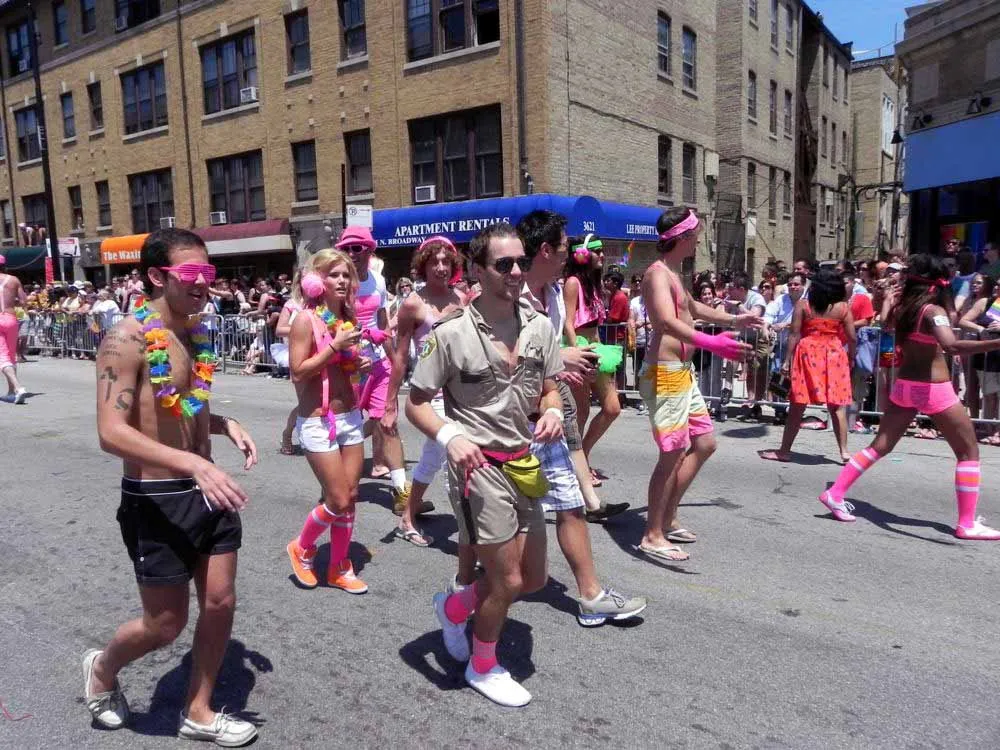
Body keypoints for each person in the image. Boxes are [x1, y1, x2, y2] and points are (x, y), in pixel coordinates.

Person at [84, 229, 259, 746]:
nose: (204, 283)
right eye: (192, 274)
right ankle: (102, 667)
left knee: (220, 602)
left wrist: (222, 425)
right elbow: (111, 432)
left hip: (207, 488)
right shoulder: (126, 338)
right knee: (164, 624)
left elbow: (181, 405)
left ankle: (198, 711)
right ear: (157, 277)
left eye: (209, 273)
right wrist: (192, 463)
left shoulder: (194, 332)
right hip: (156, 498)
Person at [406, 222, 565, 707]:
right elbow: (416, 402)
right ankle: (483, 665)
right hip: (478, 468)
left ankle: (453, 607)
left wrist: (554, 411)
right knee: (507, 580)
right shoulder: (450, 334)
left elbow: (550, 388)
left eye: (521, 262)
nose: (517, 271)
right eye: (504, 264)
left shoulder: (540, 327)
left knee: (533, 579)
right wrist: (450, 436)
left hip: (523, 463)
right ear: (477, 270)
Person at [817, 254, 1000, 539]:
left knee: (879, 446)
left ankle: (836, 492)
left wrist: (889, 299)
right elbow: (951, 345)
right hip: (934, 388)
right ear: (938, 282)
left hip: (904, 386)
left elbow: (886, 324)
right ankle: (966, 524)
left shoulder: (905, 308)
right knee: (968, 452)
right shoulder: (932, 310)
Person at [517, 209, 644, 622]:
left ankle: (591, 596)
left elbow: (548, 352)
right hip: (506, 423)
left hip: (545, 410)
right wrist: (561, 358)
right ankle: (465, 595)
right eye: (563, 246)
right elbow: (500, 358)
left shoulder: (554, 293)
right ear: (545, 250)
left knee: (569, 504)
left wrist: (561, 371)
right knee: (504, 531)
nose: (569, 252)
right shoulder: (509, 294)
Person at [638, 208, 758, 562]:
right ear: (684, 237)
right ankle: (652, 534)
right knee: (672, 453)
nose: (699, 241)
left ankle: (667, 518)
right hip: (664, 374)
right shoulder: (657, 274)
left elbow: (694, 309)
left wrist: (736, 319)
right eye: (696, 235)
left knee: (704, 443)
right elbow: (666, 321)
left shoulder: (674, 273)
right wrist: (712, 343)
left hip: (681, 373)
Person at [285, 249, 373, 594]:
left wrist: (358, 364)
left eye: (346, 275)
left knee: (350, 496)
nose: (342, 280)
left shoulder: (347, 319)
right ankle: (302, 547)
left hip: (350, 417)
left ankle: (339, 567)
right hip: (318, 421)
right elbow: (297, 372)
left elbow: (344, 368)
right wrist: (335, 348)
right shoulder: (305, 320)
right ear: (316, 280)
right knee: (336, 499)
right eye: (334, 274)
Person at [385, 237, 467, 547]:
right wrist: (390, 404)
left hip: (461, 392)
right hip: (431, 393)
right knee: (450, 457)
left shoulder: (462, 298)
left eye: (446, 262)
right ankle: (468, 531)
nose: (441, 267)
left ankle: (410, 512)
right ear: (424, 265)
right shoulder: (413, 304)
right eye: (434, 262)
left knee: (434, 455)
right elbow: (401, 356)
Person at [336, 227, 412, 508]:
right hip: (346, 367)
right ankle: (338, 487)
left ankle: (402, 491)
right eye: (346, 248)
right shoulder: (337, 283)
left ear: (369, 250)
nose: (351, 253)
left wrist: (394, 361)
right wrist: (360, 341)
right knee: (346, 427)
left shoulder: (378, 282)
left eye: (357, 247)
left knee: (388, 423)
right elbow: (329, 324)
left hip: (378, 364)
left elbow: (382, 324)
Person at [759, 269, 855, 463]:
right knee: (837, 407)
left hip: (808, 353)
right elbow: (852, 337)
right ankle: (844, 452)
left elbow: (794, 334)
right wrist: (850, 358)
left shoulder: (803, 305)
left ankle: (784, 451)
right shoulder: (843, 308)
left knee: (797, 405)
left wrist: (787, 360)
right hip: (834, 354)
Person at [562, 234, 620, 485]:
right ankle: (575, 466)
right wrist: (578, 354)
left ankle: (582, 456)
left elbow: (595, 324)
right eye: (597, 251)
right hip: (579, 348)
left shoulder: (594, 285)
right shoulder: (573, 282)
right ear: (583, 254)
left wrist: (599, 351)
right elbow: (568, 322)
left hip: (596, 348)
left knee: (612, 408)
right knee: (581, 411)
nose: (603, 255)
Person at [960, 275, 1000, 445]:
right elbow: (963, 321)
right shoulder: (985, 302)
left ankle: (998, 431)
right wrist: (980, 329)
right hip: (986, 355)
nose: (997, 288)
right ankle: (989, 429)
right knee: (989, 394)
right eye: (996, 285)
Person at [0, 255, 28, 403]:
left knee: (2, 357)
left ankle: (17, 388)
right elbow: (24, 301)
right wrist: (11, 301)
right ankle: (11, 392)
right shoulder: (14, 280)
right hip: (11, 319)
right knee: (11, 356)